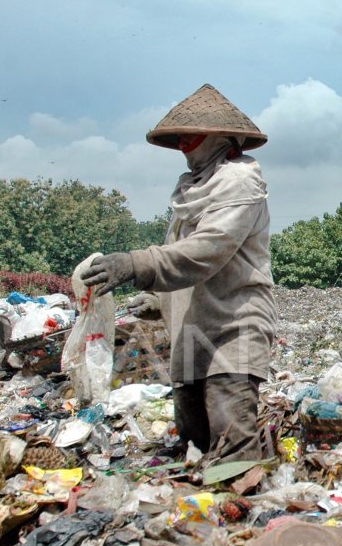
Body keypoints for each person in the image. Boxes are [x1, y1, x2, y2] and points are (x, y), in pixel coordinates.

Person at [77, 83, 275, 463]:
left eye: (193, 135)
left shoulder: (240, 180)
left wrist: (137, 264)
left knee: (231, 444)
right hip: (191, 328)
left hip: (233, 324)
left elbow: (206, 251)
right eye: (181, 137)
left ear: (221, 138)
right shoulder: (190, 187)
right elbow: (179, 251)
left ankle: (242, 512)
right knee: (194, 443)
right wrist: (157, 298)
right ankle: (202, 511)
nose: (185, 143)